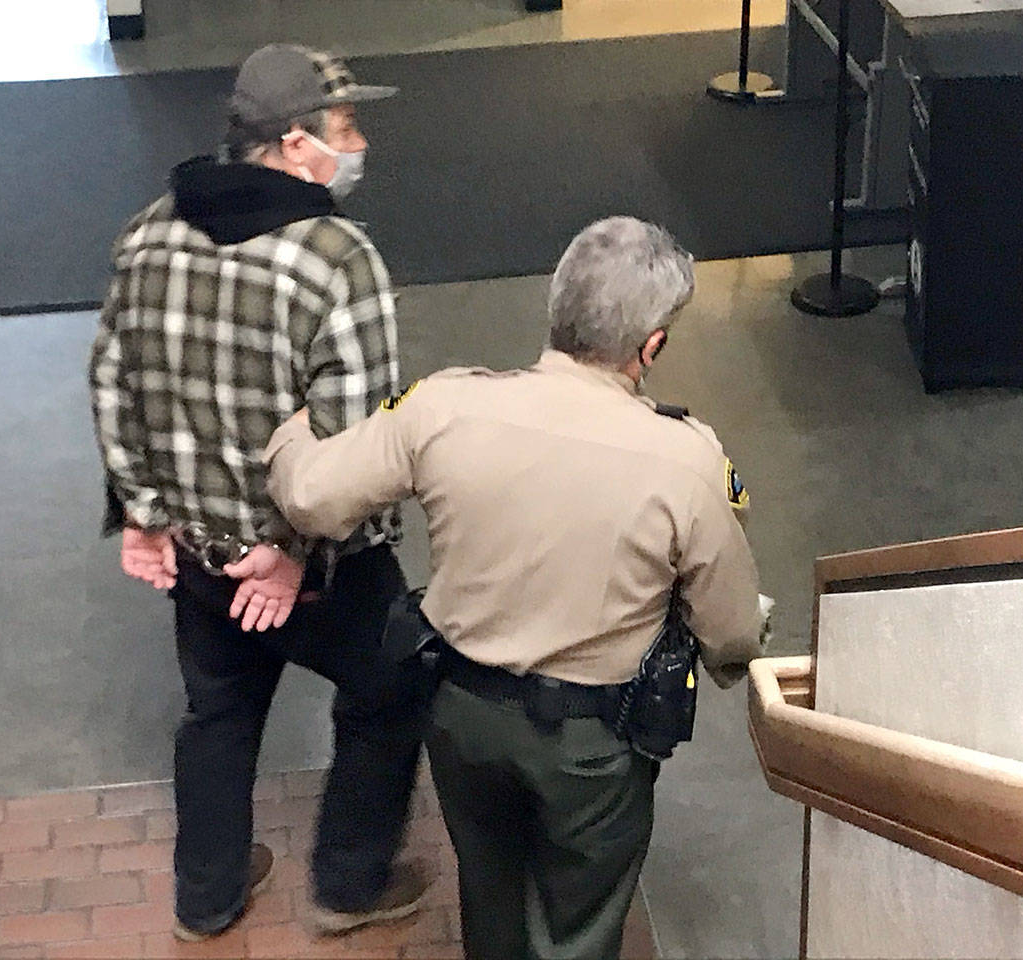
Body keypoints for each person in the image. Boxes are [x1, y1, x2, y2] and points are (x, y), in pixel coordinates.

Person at [262, 217, 768, 960]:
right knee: (580, 924)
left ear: (556, 304)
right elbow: (730, 633)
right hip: (593, 745)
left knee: (489, 887)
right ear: (651, 344)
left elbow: (311, 497)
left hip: (462, 717)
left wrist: (292, 432)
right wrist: (730, 658)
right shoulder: (686, 459)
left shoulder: (443, 406)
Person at [88, 43, 430, 942]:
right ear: (292, 143)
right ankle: (349, 883)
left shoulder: (147, 231)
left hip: (199, 559)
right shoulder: (336, 261)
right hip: (313, 569)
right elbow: (354, 442)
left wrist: (143, 514)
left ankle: (207, 896)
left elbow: (113, 383)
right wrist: (289, 551)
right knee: (392, 687)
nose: (359, 145)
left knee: (219, 709)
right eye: (347, 128)